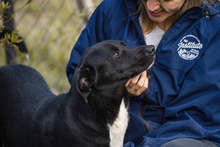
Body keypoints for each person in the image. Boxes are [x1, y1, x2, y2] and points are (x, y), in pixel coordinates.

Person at [66, 0, 220, 146]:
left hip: (183, 137)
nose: (151, 6)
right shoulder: (114, 9)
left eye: (165, 0)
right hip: (110, 134)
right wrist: (115, 90)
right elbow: (79, 77)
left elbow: (197, 118)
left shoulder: (213, 27)